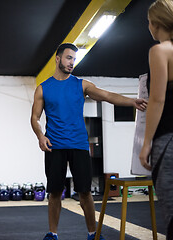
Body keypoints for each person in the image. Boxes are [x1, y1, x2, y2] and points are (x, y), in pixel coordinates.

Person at [30, 43, 147, 240]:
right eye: (68, 58)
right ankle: (52, 234)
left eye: (74, 59)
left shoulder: (81, 85)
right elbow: (34, 118)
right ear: (57, 59)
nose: (72, 63)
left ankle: (93, 234)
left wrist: (132, 101)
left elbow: (108, 96)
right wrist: (40, 136)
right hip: (54, 146)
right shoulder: (43, 88)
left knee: (85, 192)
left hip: (79, 145)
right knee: (55, 193)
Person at [139, 0, 173, 238]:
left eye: (149, 21)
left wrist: (146, 142)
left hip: (168, 140)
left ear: (155, 23)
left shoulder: (160, 51)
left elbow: (157, 100)